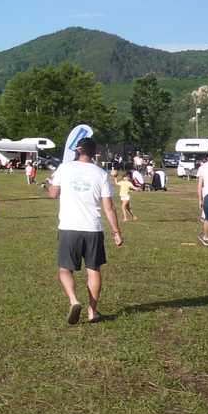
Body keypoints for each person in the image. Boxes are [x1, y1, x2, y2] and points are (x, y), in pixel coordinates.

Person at [49, 137, 123, 325]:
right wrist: (116, 232)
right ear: (94, 153)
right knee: (94, 270)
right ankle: (92, 311)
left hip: (69, 227)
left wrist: (51, 182)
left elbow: (53, 193)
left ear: (78, 150)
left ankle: (74, 300)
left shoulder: (64, 168)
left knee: (65, 269)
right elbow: (109, 207)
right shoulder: (101, 174)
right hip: (93, 228)